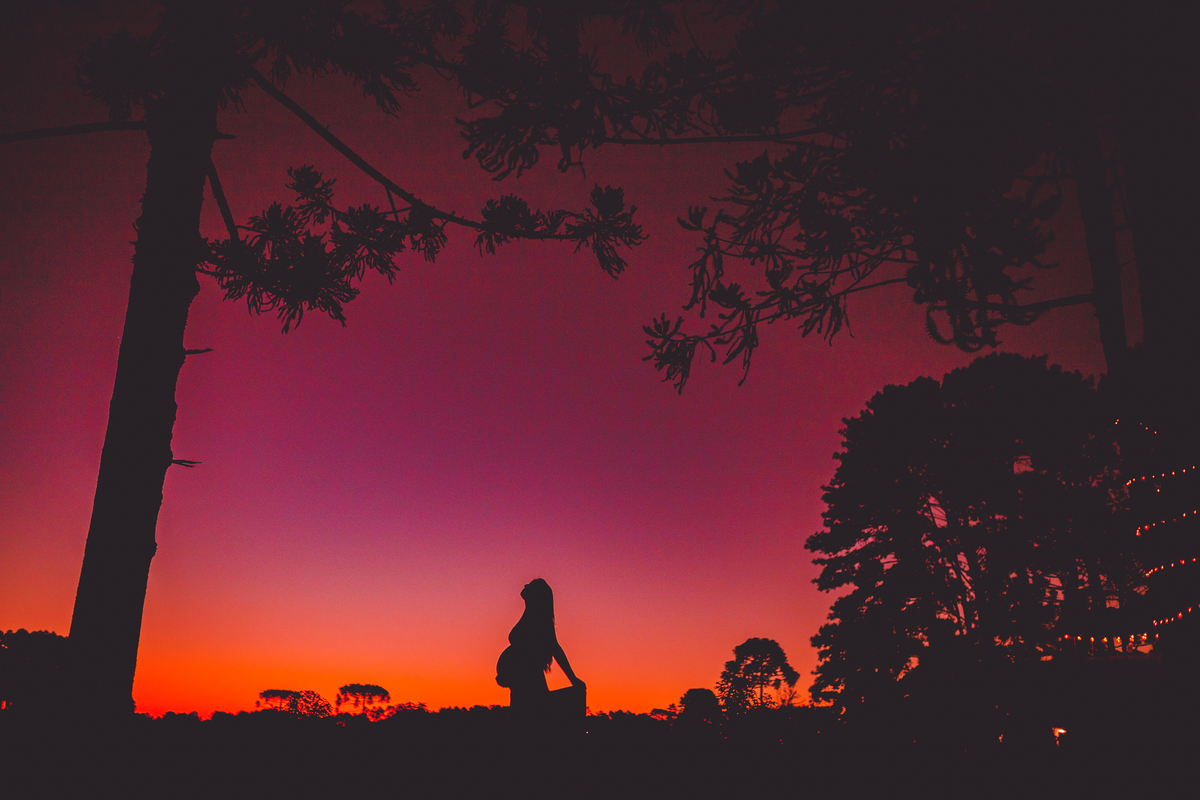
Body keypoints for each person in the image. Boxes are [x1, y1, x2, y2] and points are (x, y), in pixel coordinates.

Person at [496, 579, 585, 719]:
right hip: (521, 684)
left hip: (529, 683)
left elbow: (554, 647)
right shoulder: (529, 615)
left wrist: (573, 678)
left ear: (536, 596)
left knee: (526, 725)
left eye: (530, 585)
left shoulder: (538, 621)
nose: (525, 585)